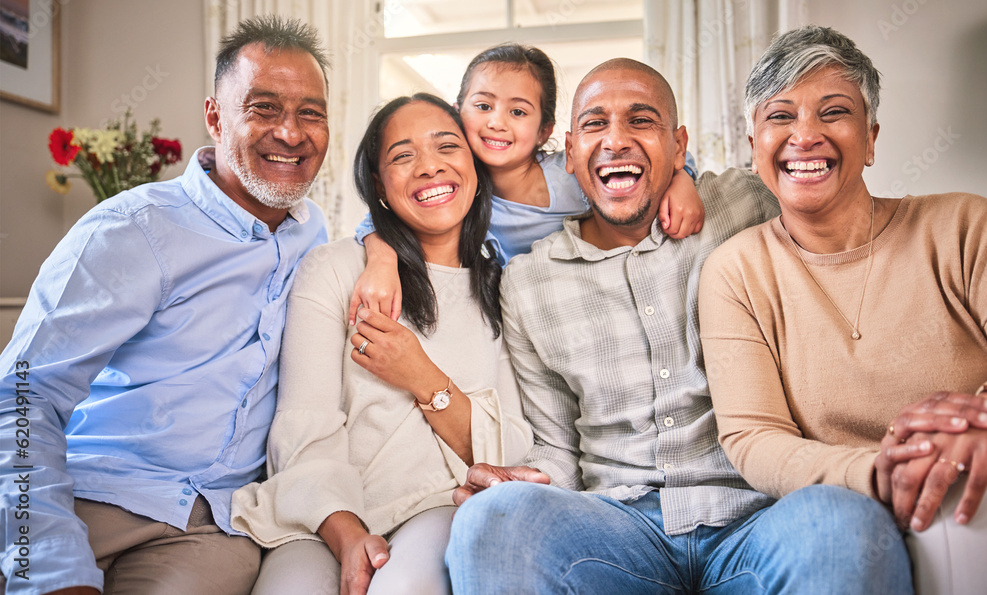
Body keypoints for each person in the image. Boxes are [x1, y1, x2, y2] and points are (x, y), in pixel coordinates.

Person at [444, 58, 913, 594]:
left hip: (761, 513)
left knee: (845, 523)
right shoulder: (527, 282)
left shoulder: (745, 203)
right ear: (571, 152)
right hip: (618, 527)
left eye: (641, 121)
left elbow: (831, 199)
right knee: (490, 522)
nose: (616, 140)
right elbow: (557, 446)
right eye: (596, 124)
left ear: (678, 145)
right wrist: (515, 482)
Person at [0, 16, 329, 595]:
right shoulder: (132, 229)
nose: (291, 133)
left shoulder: (315, 234)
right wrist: (46, 566)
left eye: (311, 113)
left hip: (213, 529)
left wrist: (380, 250)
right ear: (214, 116)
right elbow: (23, 395)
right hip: (90, 495)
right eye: (263, 108)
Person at [698, 25, 987, 594]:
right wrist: (878, 473)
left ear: (871, 139)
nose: (804, 135)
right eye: (780, 116)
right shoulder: (735, 270)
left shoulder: (966, 227)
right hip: (839, 518)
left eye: (833, 112)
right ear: (752, 145)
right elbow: (754, 438)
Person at [230, 93, 532, 595]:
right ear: (379, 186)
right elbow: (305, 427)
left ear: (475, 167)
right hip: (321, 512)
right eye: (402, 156)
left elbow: (506, 444)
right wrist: (348, 535)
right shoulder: (334, 269)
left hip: (437, 505)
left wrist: (420, 375)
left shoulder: (504, 287)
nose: (429, 167)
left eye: (447, 147)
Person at [349, 43, 705, 322]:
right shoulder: (460, 195)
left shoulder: (571, 174)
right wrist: (380, 261)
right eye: (483, 106)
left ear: (544, 131)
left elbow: (657, 162)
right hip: (531, 310)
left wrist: (683, 181)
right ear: (459, 112)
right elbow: (384, 216)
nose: (497, 123)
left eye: (517, 112)